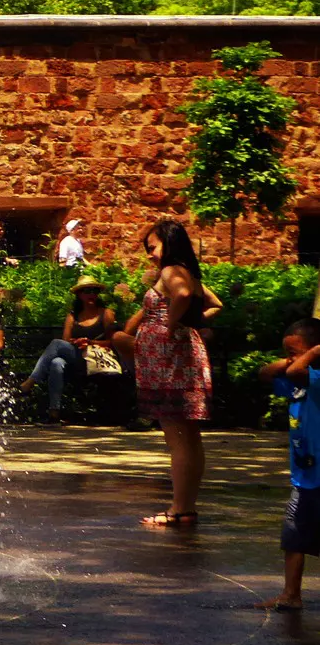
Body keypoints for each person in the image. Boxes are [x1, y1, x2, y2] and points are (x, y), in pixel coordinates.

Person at [115, 219, 221, 530]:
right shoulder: (187, 269)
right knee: (188, 438)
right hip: (180, 356)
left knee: (177, 439)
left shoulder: (172, 271)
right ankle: (185, 508)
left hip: (170, 360)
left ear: (169, 244)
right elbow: (211, 302)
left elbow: (184, 295)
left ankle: (178, 510)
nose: (149, 255)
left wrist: (170, 325)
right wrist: (186, 322)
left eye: (152, 247)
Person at [260, 318, 320, 612]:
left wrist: (310, 356)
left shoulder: (317, 377)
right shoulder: (294, 383)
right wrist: (290, 358)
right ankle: (291, 594)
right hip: (304, 477)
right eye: (287, 352)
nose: (290, 360)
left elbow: (299, 369)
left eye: (297, 351)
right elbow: (265, 373)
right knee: (293, 535)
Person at [20, 276, 117, 423]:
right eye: (87, 291)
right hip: (76, 359)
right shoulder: (73, 316)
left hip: (95, 360)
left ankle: (31, 381)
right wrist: (77, 342)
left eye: (94, 291)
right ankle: (54, 412)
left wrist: (90, 342)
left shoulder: (105, 314)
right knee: (56, 363)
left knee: (55, 346)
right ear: (79, 294)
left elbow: (112, 342)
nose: (91, 294)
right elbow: (66, 341)